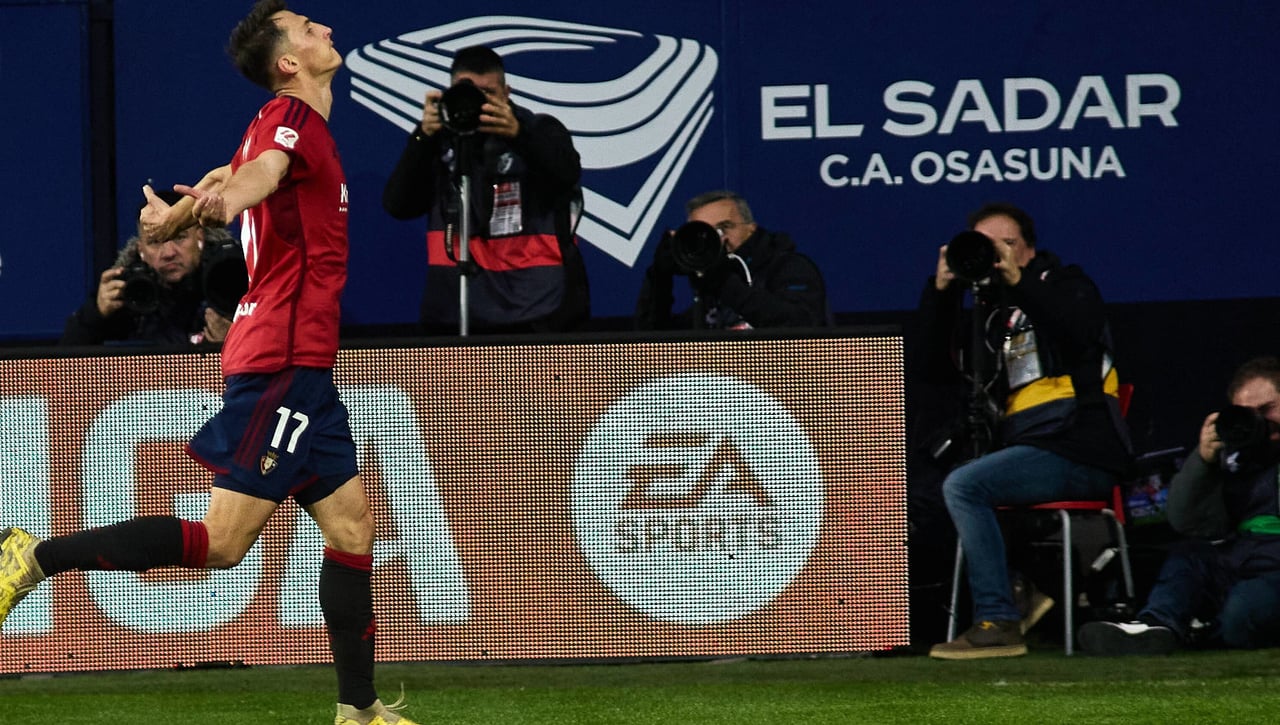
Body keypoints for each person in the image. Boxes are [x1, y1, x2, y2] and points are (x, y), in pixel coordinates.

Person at [0, 3, 420, 723]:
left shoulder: (291, 126)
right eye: (307, 26)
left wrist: (179, 216)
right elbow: (255, 174)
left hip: (306, 368)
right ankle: (32, 555)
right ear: (288, 62)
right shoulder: (290, 121)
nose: (323, 26)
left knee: (352, 530)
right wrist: (223, 203)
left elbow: (229, 175)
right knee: (223, 544)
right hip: (282, 360)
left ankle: (360, 710)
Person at [922, 202, 1131, 660]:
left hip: (1080, 451)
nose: (997, 256)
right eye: (986, 245)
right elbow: (931, 368)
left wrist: (1021, 283)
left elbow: (1078, 331)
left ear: (1029, 250)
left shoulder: (1065, 284)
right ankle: (1018, 596)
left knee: (965, 485)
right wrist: (941, 292)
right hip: (1030, 453)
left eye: (1007, 245)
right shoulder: (989, 314)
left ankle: (998, 620)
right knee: (942, 484)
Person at [382, 44, 589, 335]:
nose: (479, 105)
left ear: (507, 93)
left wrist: (519, 135)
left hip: (535, 310)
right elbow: (399, 205)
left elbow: (566, 174)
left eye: (489, 94)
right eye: (468, 93)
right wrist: (423, 138)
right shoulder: (439, 140)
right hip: (455, 310)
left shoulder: (538, 128)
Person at [1079, 356, 1280, 655]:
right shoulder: (1236, 458)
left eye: (1267, 410)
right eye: (1247, 415)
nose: (1258, 423)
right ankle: (1155, 627)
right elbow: (1186, 521)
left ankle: (1205, 632)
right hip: (1240, 556)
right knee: (1189, 555)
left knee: (1241, 616)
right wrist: (1203, 461)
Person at [60, 190, 237, 346]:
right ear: (141, 250)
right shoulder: (124, 294)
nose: (168, 253)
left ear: (200, 237)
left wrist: (236, 339)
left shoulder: (233, 280)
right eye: (155, 241)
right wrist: (95, 314)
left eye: (179, 237)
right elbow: (64, 371)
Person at [634, 190, 828, 330]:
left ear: (751, 228)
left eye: (725, 227)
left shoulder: (788, 267)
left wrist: (723, 283)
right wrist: (660, 278)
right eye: (706, 233)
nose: (719, 239)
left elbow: (800, 327)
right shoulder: (707, 288)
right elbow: (652, 346)